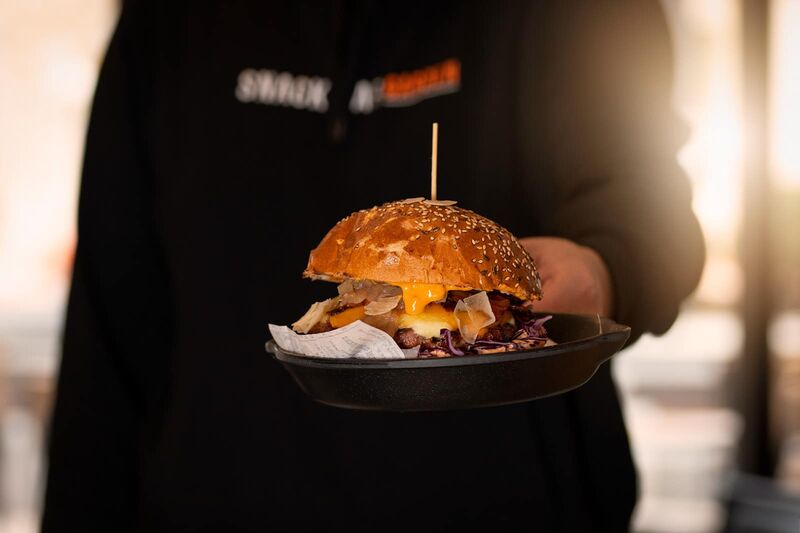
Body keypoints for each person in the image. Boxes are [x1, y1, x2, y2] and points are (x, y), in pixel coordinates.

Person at [42, 1, 704, 532]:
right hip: (214, 502)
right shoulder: (169, 21)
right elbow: (107, 339)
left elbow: (657, 215)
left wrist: (605, 268)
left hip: (512, 508)